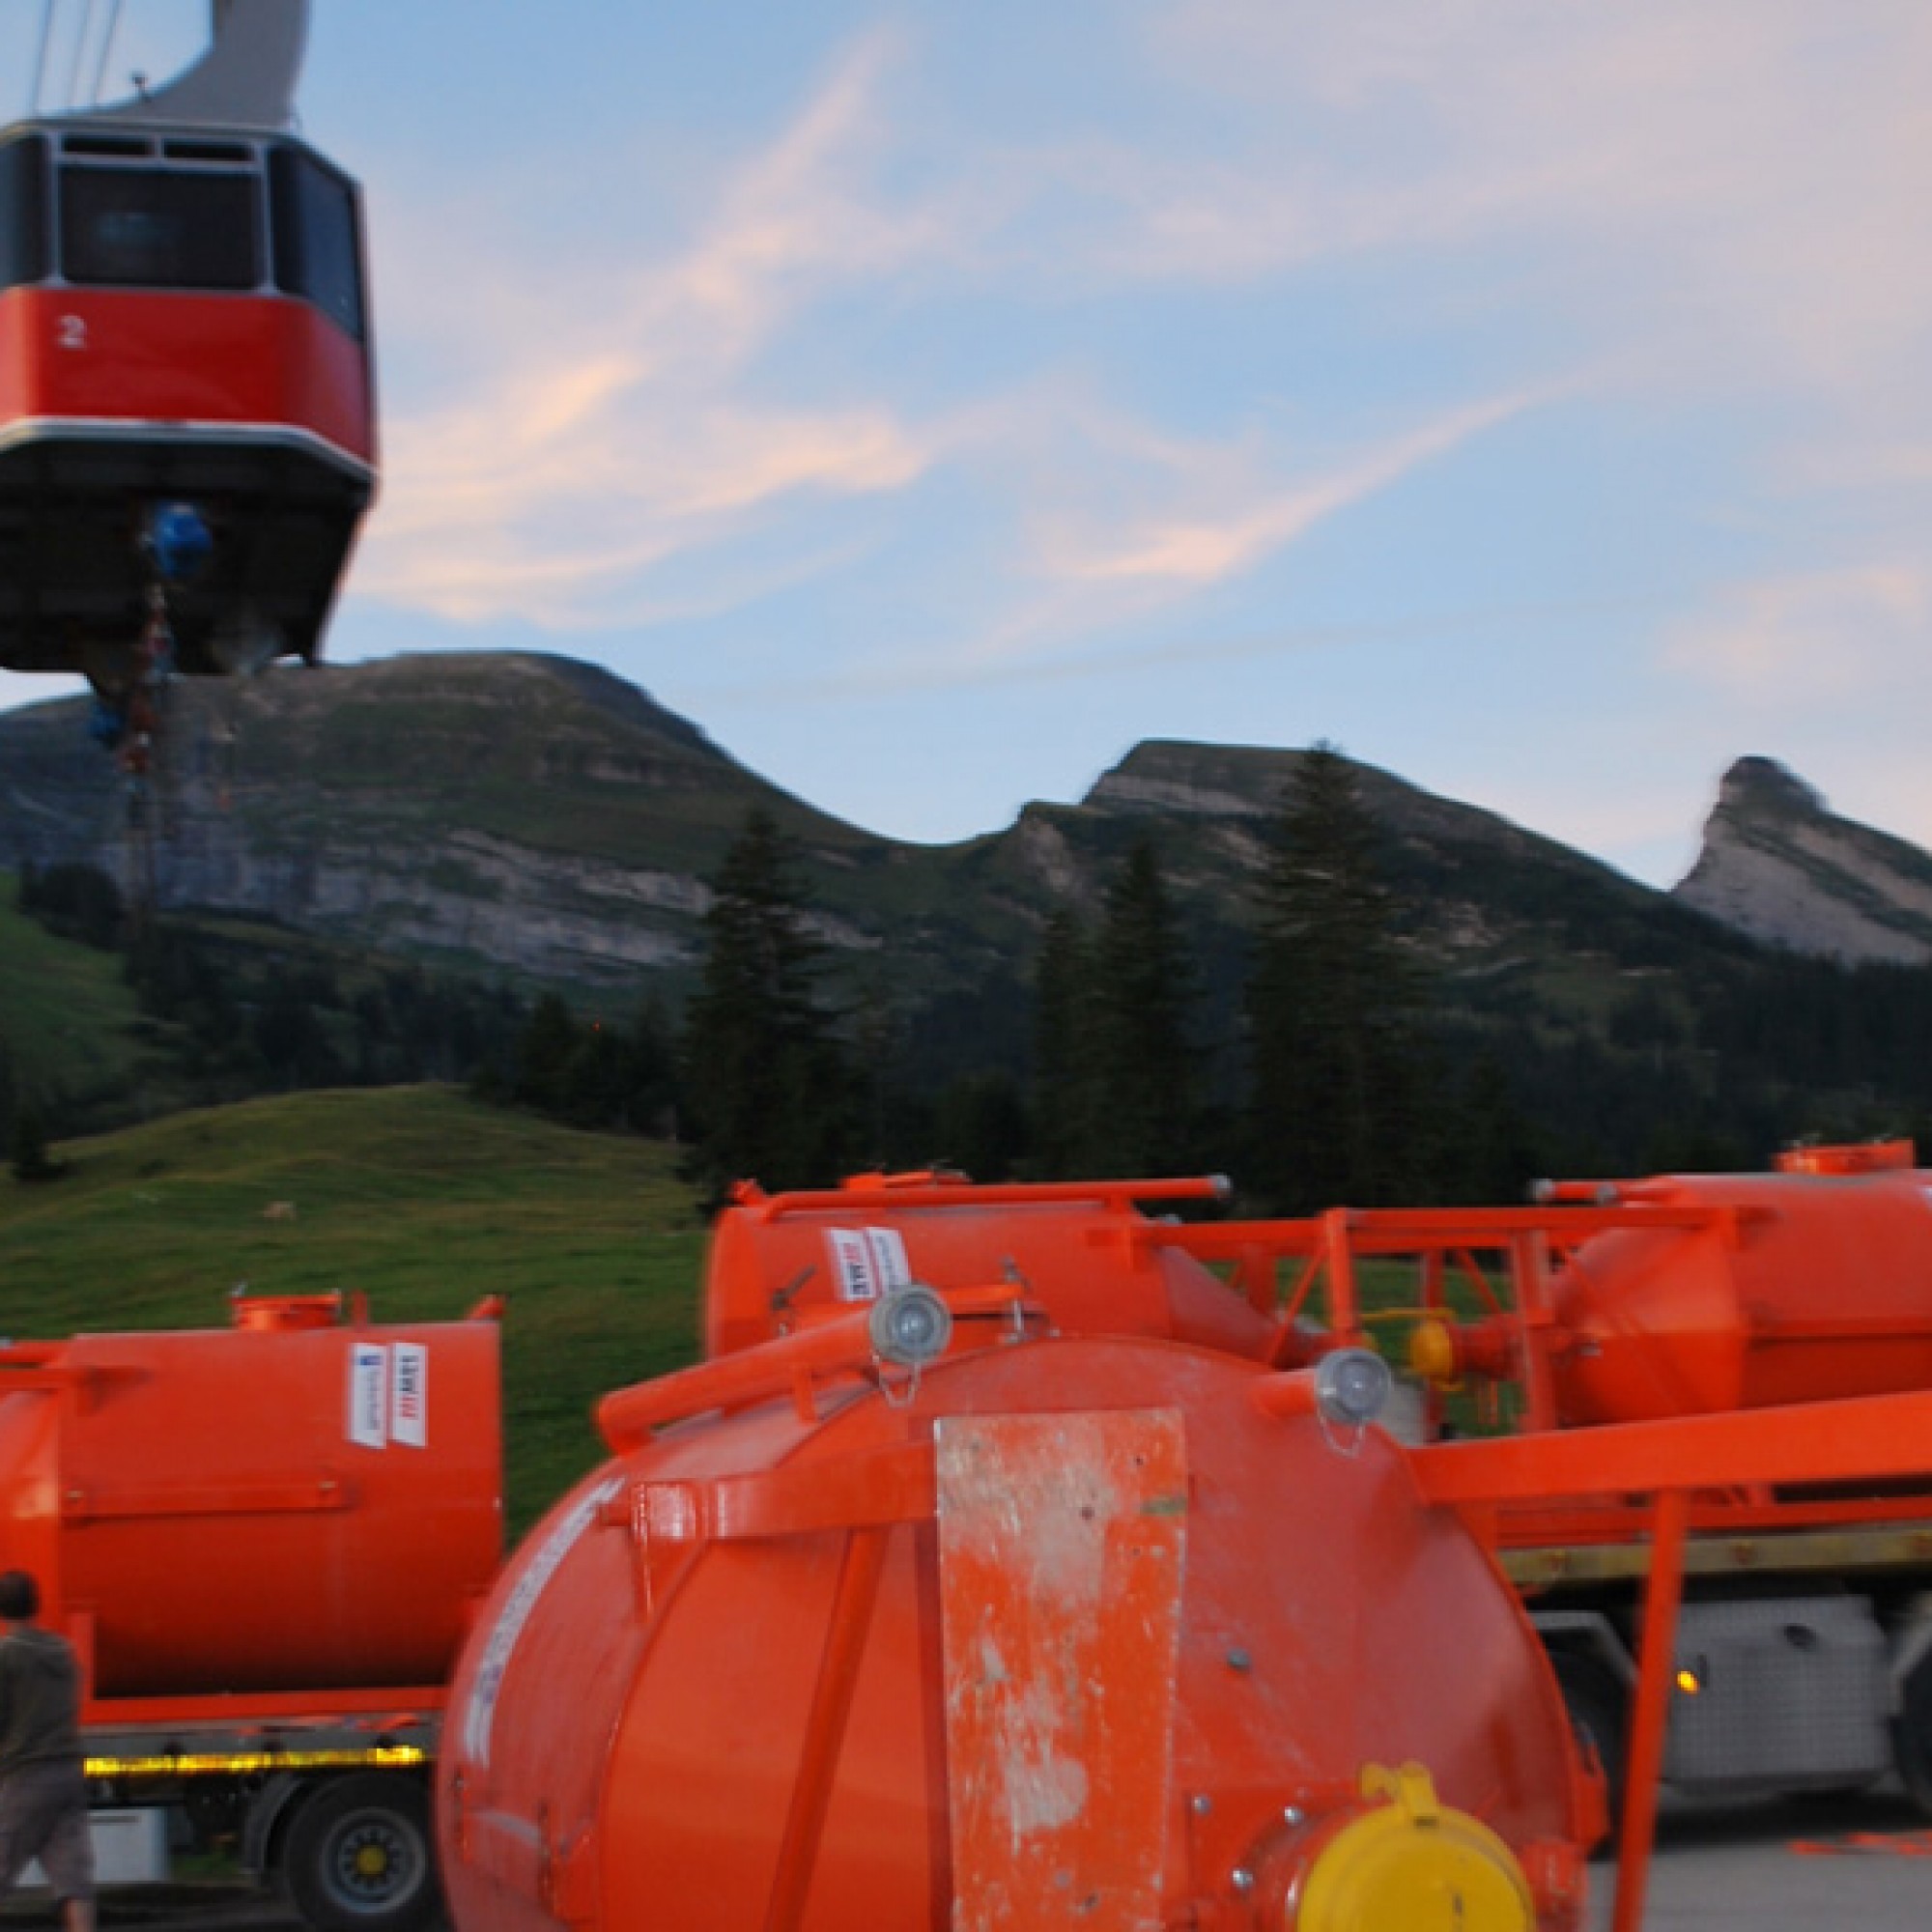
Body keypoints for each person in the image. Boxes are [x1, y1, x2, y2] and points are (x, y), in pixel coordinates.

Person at [0, 1573, 94, 1932]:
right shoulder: (63, 1651)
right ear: (36, 1605)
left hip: (26, 1775)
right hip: (68, 1771)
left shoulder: (8, 1656)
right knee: (73, 1880)